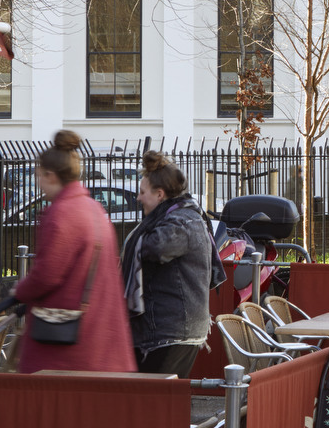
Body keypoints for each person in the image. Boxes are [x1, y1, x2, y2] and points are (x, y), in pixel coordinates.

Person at [13, 131, 135, 374]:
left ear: (50, 175)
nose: (38, 183)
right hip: (104, 337)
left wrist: (19, 291)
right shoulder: (94, 209)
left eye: (38, 176)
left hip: (68, 343)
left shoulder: (62, 213)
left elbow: (47, 274)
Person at [123, 150, 214, 376]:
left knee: (152, 403)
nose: (138, 198)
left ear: (160, 194)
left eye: (142, 192)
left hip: (168, 332)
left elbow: (157, 247)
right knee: (160, 403)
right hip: (173, 330)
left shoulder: (181, 221)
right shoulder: (185, 215)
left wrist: (137, 241)